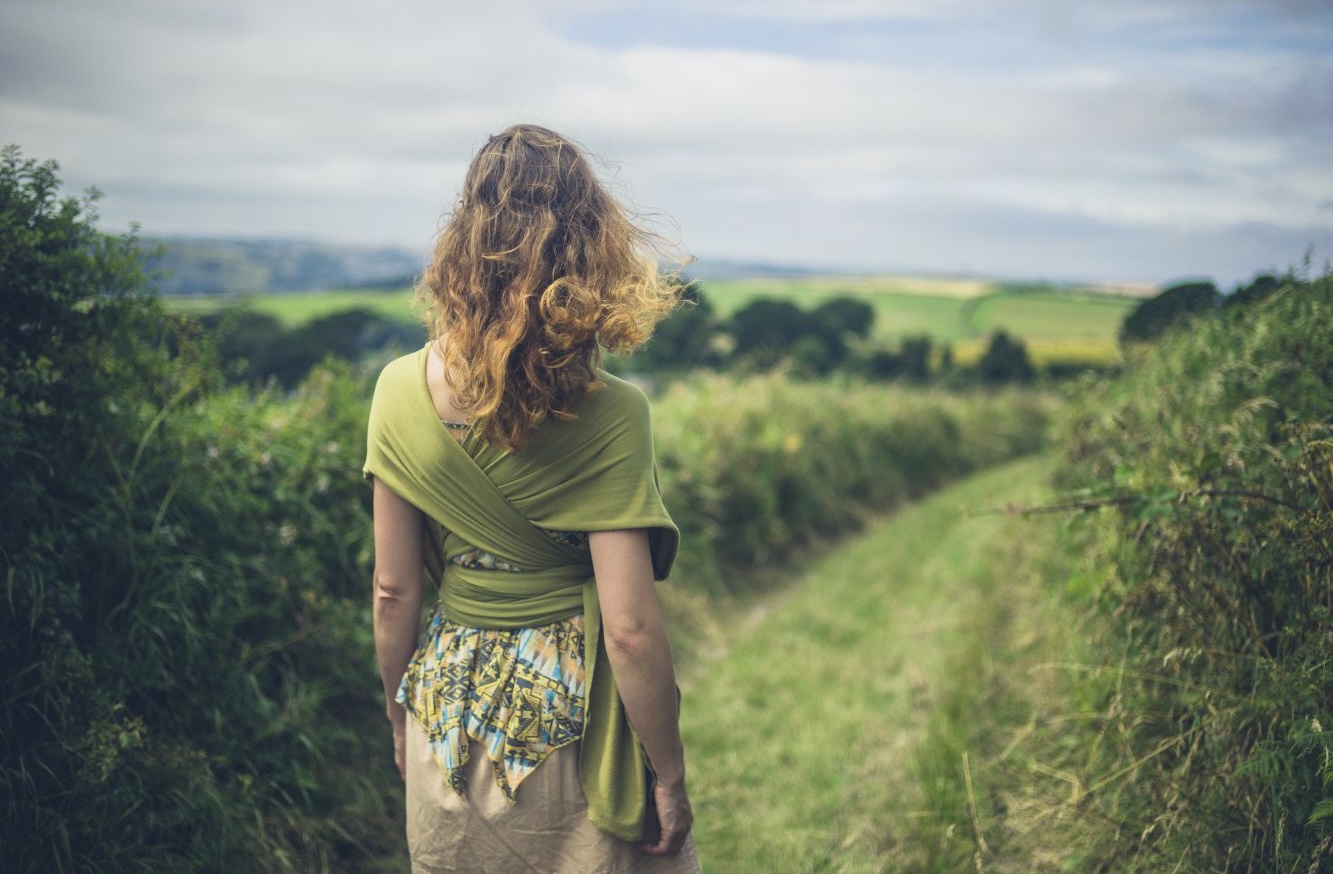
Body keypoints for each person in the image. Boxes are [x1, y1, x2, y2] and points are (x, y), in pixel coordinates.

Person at [363, 124, 699, 873]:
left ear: (463, 240)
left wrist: (398, 715)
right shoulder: (611, 413)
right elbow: (632, 630)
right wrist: (668, 773)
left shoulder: (394, 391)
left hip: (444, 717)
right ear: (592, 249)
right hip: (573, 724)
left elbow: (392, 592)